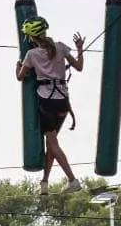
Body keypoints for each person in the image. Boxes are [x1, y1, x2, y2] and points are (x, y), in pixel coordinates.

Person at [15, 17, 86, 193]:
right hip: (63, 100)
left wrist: (18, 66)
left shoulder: (31, 54)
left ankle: (72, 180)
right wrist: (79, 49)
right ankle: (44, 183)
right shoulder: (61, 47)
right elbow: (79, 67)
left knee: (53, 144)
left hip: (46, 101)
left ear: (31, 37)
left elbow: (20, 76)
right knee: (52, 142)